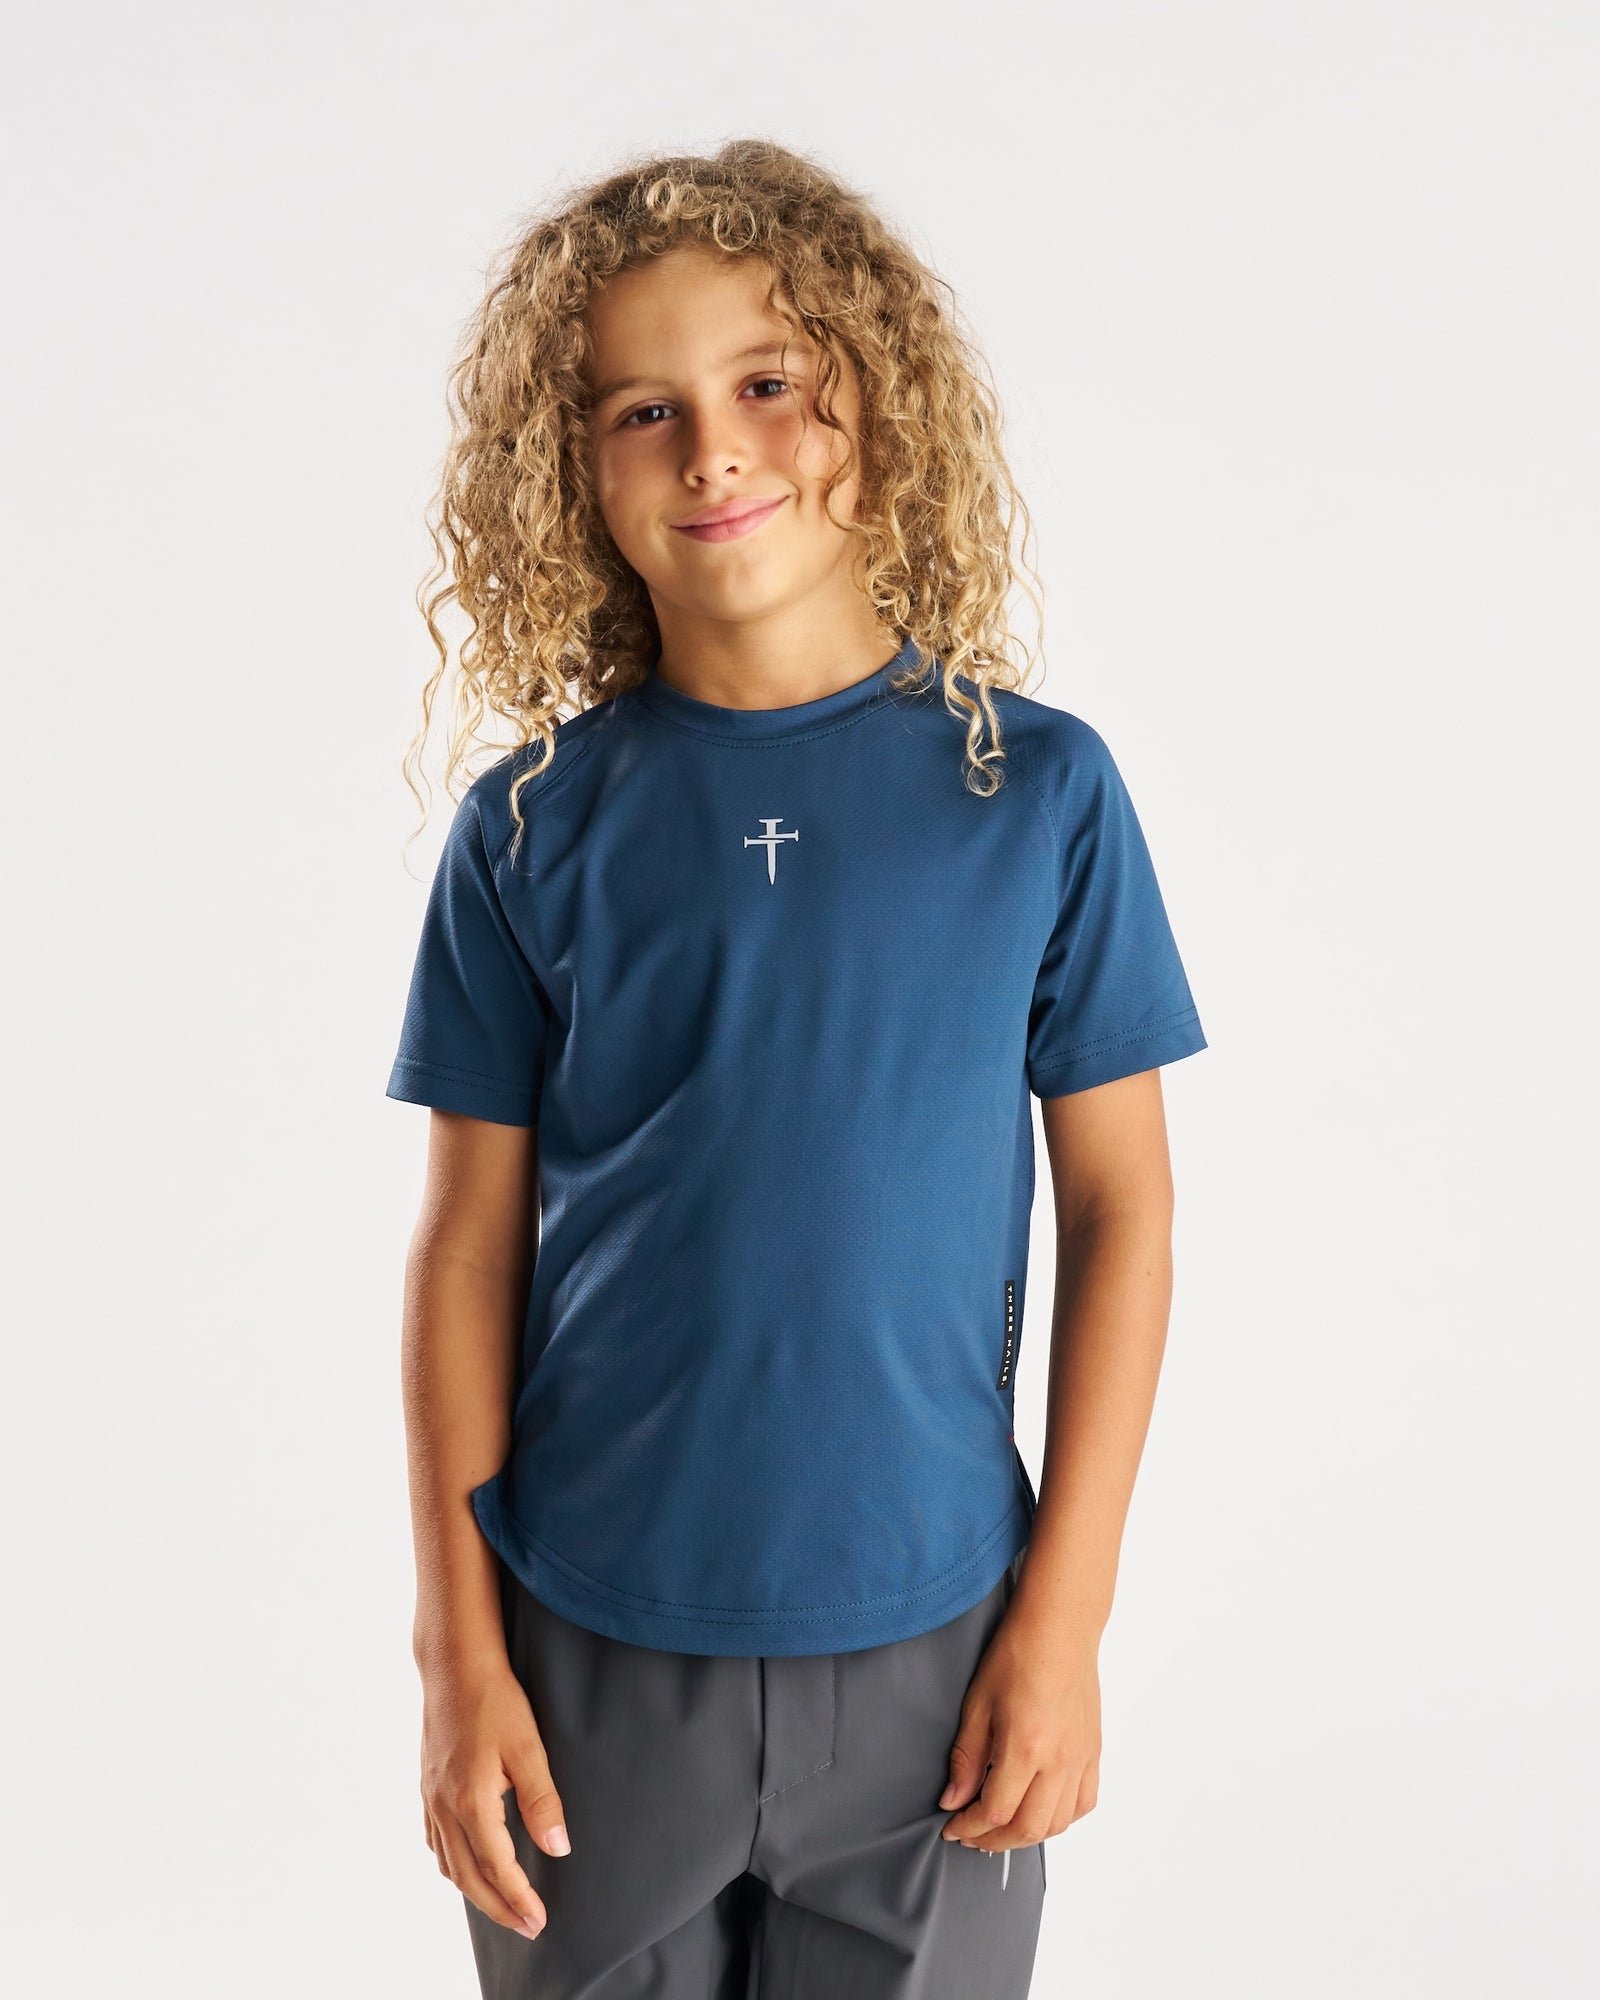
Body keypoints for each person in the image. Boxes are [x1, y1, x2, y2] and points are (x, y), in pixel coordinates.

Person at [384, 138, 1208, 2000]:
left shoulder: (1036, 794)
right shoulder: (530, 828)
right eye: (644, 411)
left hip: (941, 1650)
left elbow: (1123, 1209)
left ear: (874, 403)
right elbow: (465, 1250)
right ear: (571, 471)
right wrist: (458, 1661)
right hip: (588, 1650)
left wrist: (1065, 1621)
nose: (713, 451)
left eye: (767, 383)